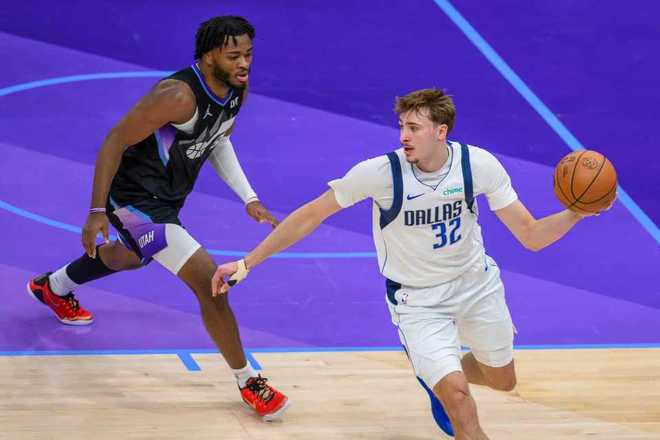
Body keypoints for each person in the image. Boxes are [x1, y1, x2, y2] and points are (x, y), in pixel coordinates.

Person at [211, 89, 612, 438]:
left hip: (476, 286)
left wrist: (577, 212)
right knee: (459, 399)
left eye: (415, 127)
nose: (404, 135)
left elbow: (531, 235)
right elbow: (310, 215)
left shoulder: (478, 166)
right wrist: (247, 263)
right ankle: (442, 379)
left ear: (441, 131)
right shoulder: (381, 174)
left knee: (503, 380)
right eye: (402, 126)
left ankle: (437, 374)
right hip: (417, 302)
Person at [26, 16, 289, 421]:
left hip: (167, 198)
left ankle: (53, 286)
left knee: (131, 257)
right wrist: (96, 211)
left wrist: (248, 197)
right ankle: (248, 381)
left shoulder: (236, 89)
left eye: (248, 54)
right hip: (134, 199)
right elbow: (114, 140)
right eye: (233, 55)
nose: (244, 64)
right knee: (211, 284)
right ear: (208, 57)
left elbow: (217, 139)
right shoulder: (178, 96)